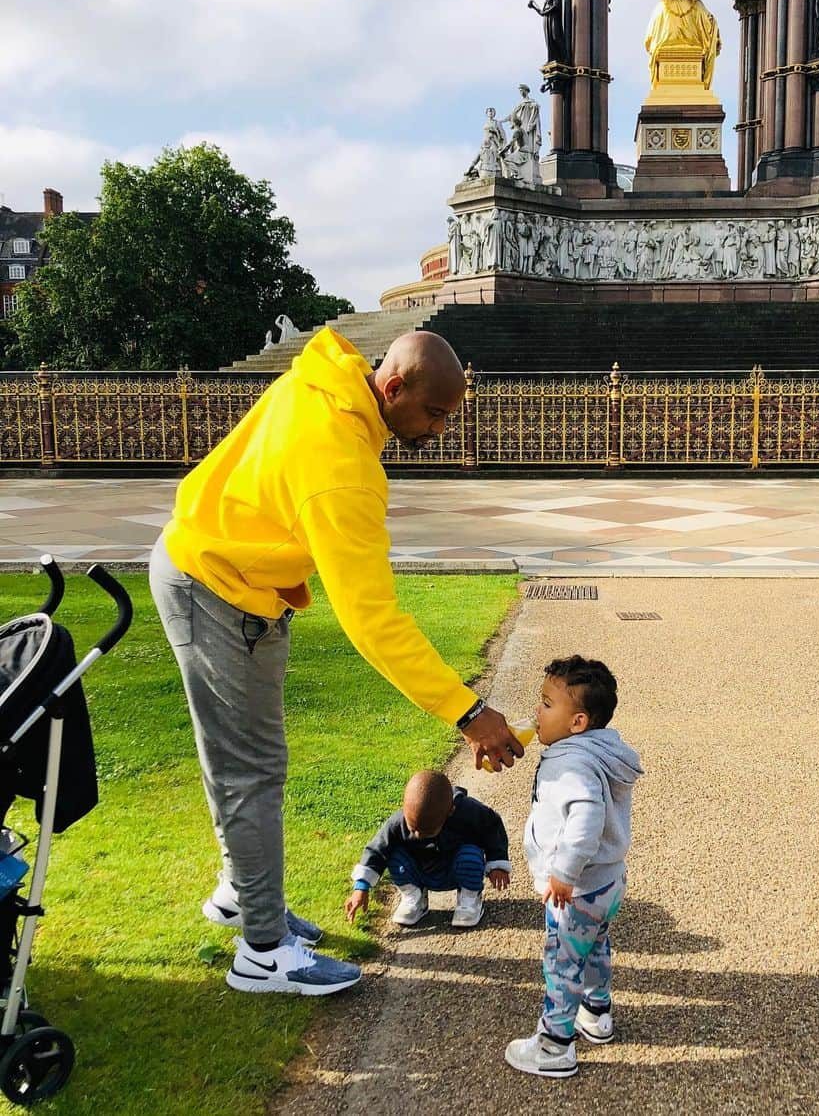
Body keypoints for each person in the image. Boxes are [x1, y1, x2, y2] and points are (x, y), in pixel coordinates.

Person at [149, 328, 522, 997]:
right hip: (212, 587)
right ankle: (262, 955)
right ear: (394, 387)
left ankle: (244, 895)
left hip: (239, 584)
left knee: (260, 766)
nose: (439, 431)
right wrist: (467, 711)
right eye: (434, 414)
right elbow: (372, 618)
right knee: (248, 776)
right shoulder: (342, 467)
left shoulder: (326, 381)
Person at [504, 657, 643, 1080]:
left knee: (561, 961)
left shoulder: (572, 763)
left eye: (547, 704)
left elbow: (586, 817)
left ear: (578, 721)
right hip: (606, 884)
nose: (536, 712)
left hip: (577, 889)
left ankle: (554, 1045)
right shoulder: (599, 750)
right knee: (596, 947)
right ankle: (597, 1015)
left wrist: (562, 873)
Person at [345, 771, 510, 930]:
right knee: (393, 855)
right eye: (413, 829)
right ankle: (414, 897)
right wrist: (361, 887)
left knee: (471, 855)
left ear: (450, 812)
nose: (418, 835)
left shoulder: (468, 811)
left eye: (427, 831)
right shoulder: (398, 822)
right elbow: (377, 850)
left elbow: (492, 828)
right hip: (419, 871)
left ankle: (469, 898)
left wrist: (497, 864)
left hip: (455, 869)